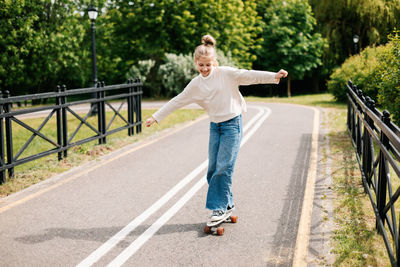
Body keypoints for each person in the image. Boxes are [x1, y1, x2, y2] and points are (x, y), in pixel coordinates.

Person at [146, 35, 288, 223]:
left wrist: (273, 76)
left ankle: (219, 209)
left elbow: (249, 74)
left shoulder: (226, 73)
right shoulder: (196, 84)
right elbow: (178, 100)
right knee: (212, 170)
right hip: (215, 127)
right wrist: (156, 117)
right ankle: (228, 204)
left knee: (224, 167)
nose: (204, 69)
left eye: (208, 65)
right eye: (201, 65)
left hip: (232, 125)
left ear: (214, 62)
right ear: (195, 63)